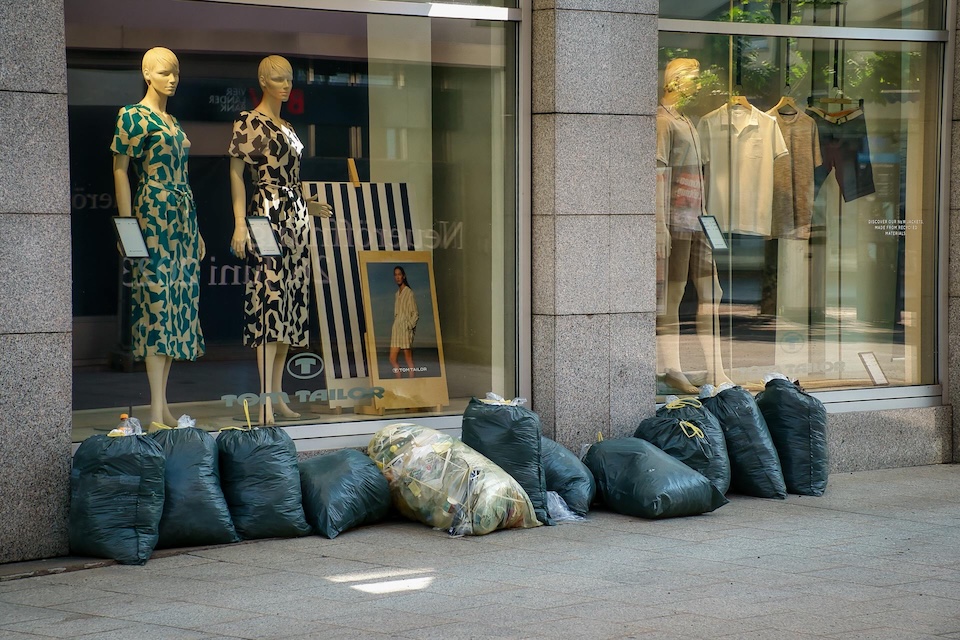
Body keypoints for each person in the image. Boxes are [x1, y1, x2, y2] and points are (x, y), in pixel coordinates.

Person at [228, 55, 331, 424]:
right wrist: (240, 223)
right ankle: (264, 403)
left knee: (290, 303)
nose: (285, 84)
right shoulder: (248, 122)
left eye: (289, 78)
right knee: (269, 299)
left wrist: (308, 203)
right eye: (277, 78)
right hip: (266, 213)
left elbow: (294, 175)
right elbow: (237, 174)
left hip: (297, 218)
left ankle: (279, 396)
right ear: (262, 81)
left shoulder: (287, 126)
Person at [111, 47, 205, 427]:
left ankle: (163, 405)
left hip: (182, 218)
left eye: (176, 73)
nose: (172, 79)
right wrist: (127, 225)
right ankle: (153, 411)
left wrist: (195, 232)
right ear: (147, 74)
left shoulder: (172, 120)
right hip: (153, 214)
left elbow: (184, 177)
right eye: (165, 72)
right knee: (155, 305)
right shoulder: (133, 116)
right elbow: (120, 170)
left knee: (175, 308)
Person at [656, 58, 733, 394]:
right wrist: (659, 226)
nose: (698, 86)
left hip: (699, 222)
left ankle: (717, 370)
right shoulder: (662, 122)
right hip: (675, 222)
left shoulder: (690, 121)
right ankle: (671, 368)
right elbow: (657, 176)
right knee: (672, 296)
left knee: (711, 294)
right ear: (675, 81)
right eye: (694, 79)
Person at [389, 266, 419, 378]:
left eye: (399, 274)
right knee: (392, 359)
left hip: (405, 328)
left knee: (408, 360)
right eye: (395, 275)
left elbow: (415, 313)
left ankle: (411, 384)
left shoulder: (409, 292)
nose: (397, 277)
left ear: (403, 276)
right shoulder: (397, 294)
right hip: (396, 328)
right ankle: (400, 381)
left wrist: (409, 326)